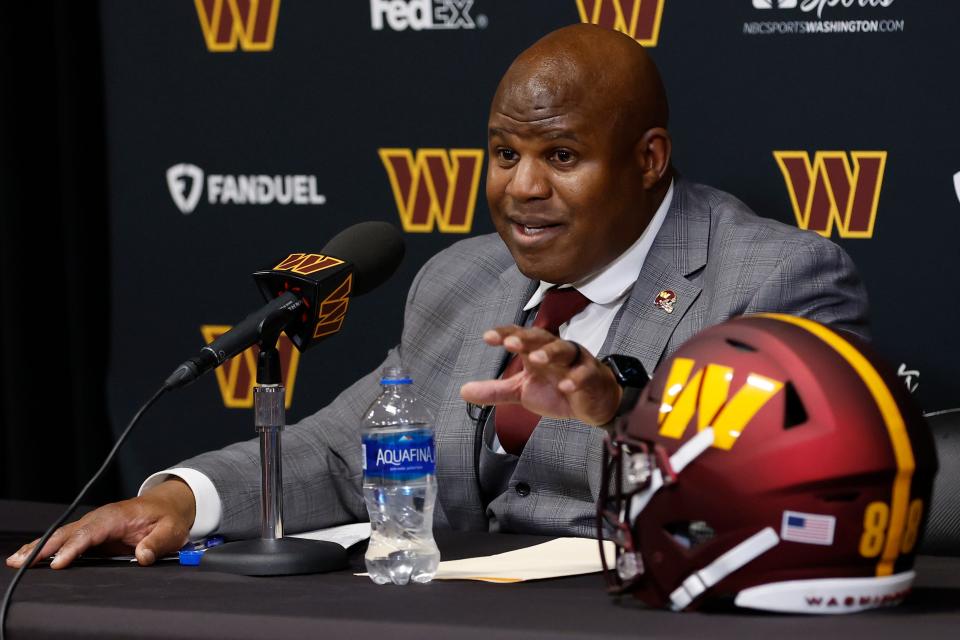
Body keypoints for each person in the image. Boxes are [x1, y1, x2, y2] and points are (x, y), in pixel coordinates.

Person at [8, 24, 867, 570]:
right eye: (503, 153)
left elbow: (777, 503)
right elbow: (346, 454)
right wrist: (172, 502)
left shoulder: (775, 280)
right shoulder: (465, 278)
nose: (521, 188)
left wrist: (617, 413)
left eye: (561, 157)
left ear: (647, 160)